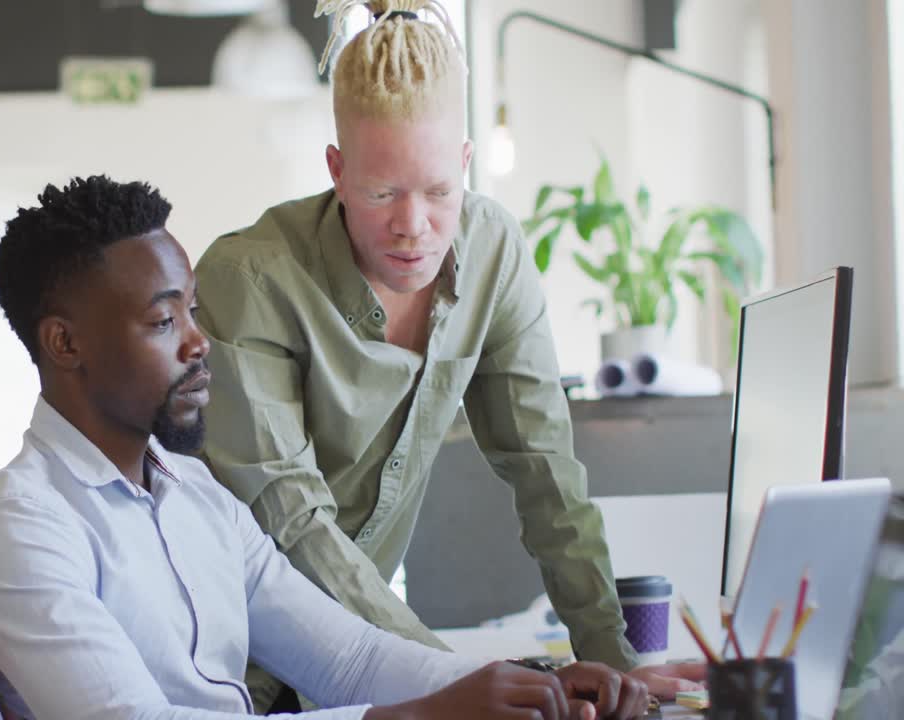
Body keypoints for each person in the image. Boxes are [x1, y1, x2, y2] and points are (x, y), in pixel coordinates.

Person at [0, 175, 653, 720]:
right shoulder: (25, 527)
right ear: (64, 343)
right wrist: (413, 716)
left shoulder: (200, 499)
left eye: (192, 310)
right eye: (164, 321)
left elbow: (348, 658)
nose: (199, 343)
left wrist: (534, 685)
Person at [193, 1, 701, 709]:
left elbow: (546, 473)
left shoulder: (494, 252)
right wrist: (455, 683)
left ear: (466, 162)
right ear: (337, 170)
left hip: (369, 668)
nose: (413, 226)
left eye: (439, 192)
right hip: (224, 666)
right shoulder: (250, 280)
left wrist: (616, 667)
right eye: (381, 193)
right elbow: (293, 522)